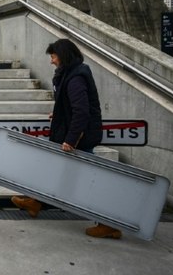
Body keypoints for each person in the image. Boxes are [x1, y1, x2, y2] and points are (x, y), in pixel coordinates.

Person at [10, 39, 121, 239]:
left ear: (63, 56)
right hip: (74, 133)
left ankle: (109, 223)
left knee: (87, 180)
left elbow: (81, 112)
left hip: (80, 138)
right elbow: (71, 106)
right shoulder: (70, 74)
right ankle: (36, 201)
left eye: (53, 56)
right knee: (53, 169)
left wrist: (71, 139)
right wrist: (60, 114)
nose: (51, 61)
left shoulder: (75, 77)